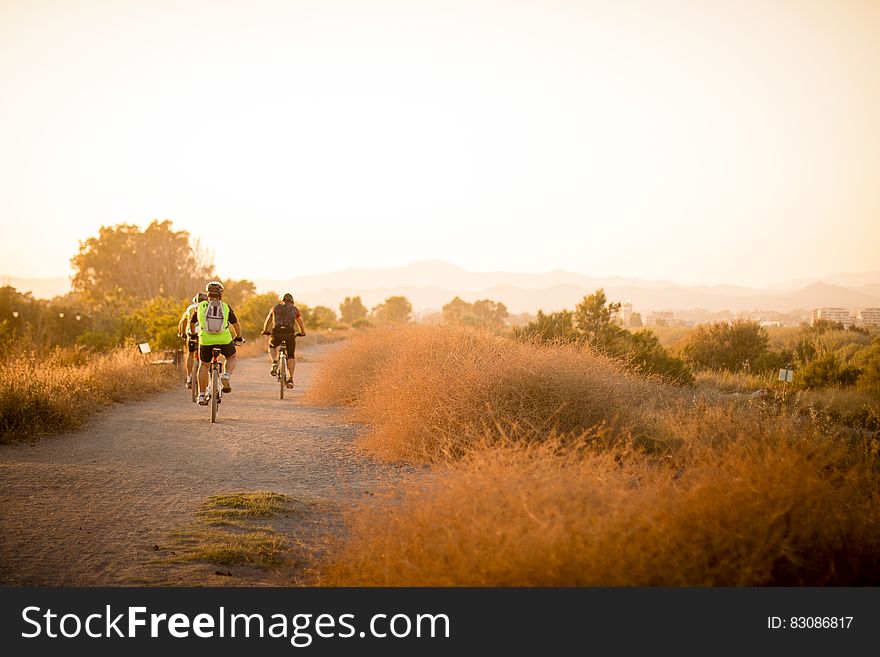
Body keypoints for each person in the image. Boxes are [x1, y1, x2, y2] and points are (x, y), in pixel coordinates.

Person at [190, 281, 243, 405]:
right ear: (221, 294)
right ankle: (226, 376)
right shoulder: (225, 307)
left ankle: (202, 395)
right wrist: (239, 337)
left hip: (206, 340)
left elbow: (192, 323)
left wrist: (193, 335)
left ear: (208, 294)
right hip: (224, 340)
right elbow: (236, 325)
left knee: (204, 365)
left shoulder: (200, 306)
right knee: (232, 356)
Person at [262, 292, 306, 388]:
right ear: (292, 302)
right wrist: (302, 332)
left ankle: (274, 362)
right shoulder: (294, 309)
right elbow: (300, 322)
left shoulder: (275, 308)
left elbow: (268, 320)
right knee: (290, 356)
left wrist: (265, 330)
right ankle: (290, 379)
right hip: (289, 333)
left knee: (272, 346)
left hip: (277, 332)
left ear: (283, 300)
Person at [177, 292, 207, 389]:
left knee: (190, 353)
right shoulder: (207, 307)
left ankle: (189, 377)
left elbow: (182, 322)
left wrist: (182, 333)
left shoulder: (190, 308)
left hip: (191, 333)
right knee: (206, 357)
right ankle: (208, 377)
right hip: (203, 333)